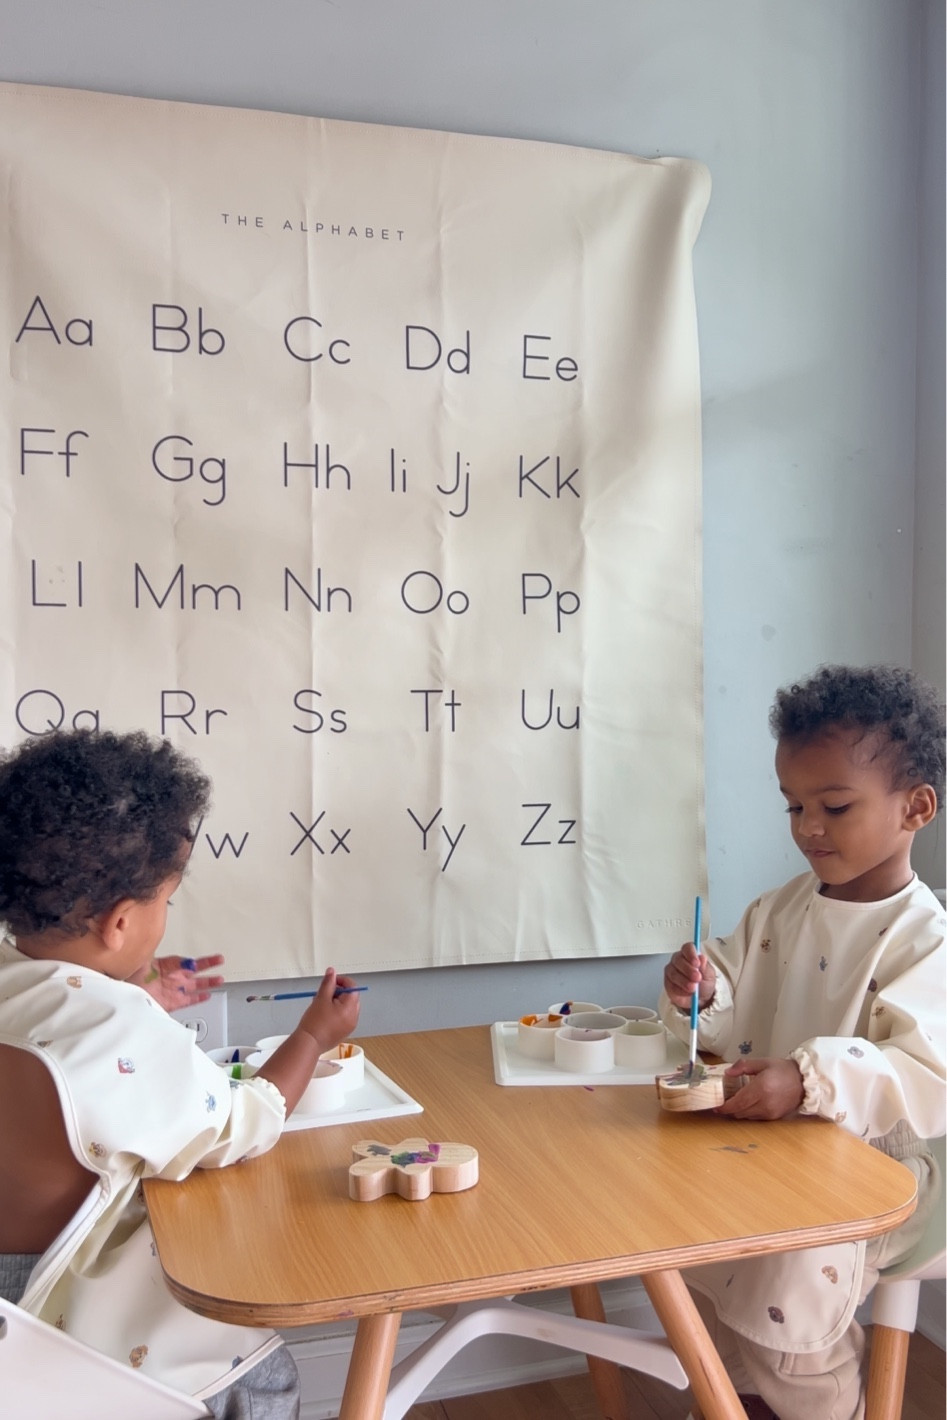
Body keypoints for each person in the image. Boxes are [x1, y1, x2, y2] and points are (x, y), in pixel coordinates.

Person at [0, 727, 363, 1419]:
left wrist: (136, 995)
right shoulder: (120, 1031)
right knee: (262, 1378)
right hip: (97, 1337)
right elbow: (244, 1122)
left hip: (10, 1301)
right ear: (119, 923)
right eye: (167, 901)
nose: (166, 918)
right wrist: (313, 1036)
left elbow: (63, 1034)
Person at [659, 664, 946, 1420]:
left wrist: (809, 1078)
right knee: (686, 1226)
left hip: (893, 1169)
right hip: (777, 1148)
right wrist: (700, 992)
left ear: (916, 807)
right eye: (792, 805)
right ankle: (735, 1395)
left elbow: (921, 1072)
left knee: (788, 1267)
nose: (806, 826)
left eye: (834, 806)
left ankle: (816, 1402)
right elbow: (729, 986)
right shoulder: (779, 909)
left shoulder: (927, 939)